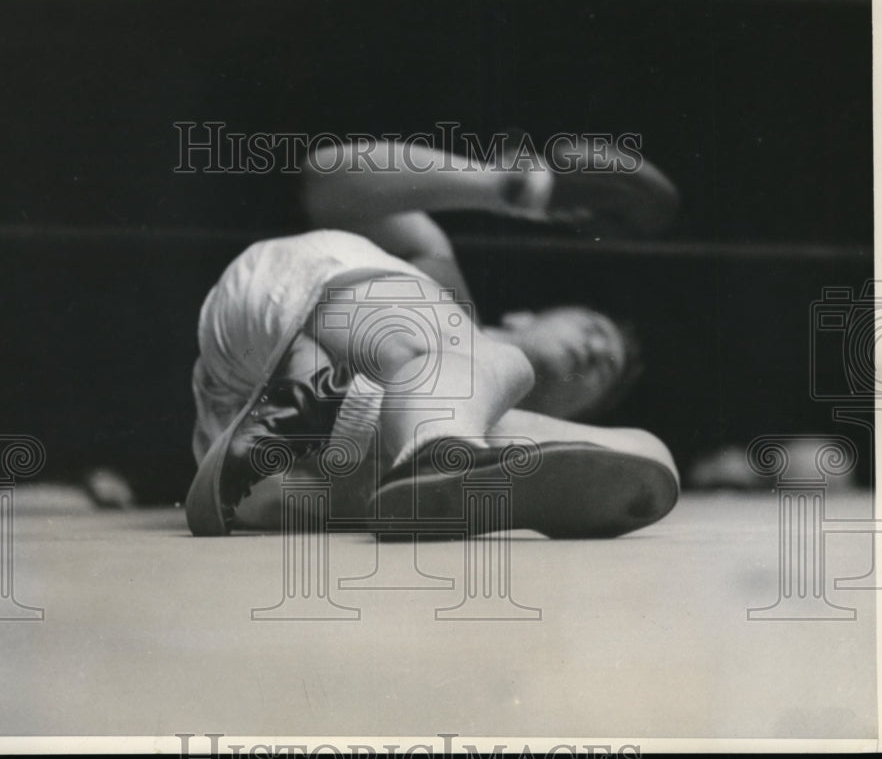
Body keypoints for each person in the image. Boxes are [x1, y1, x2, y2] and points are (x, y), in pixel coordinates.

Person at [186, 137, 681, 538]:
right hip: (275, 315)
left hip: (253, 448)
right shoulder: (443, 283)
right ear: (522, 316)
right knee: (478, 354)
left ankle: (290, 449)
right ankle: (429, 446)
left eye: (606, 370)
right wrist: (520, 188)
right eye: (593, 331)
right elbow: (327, 178)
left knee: (650, 459)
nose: (596, 352)